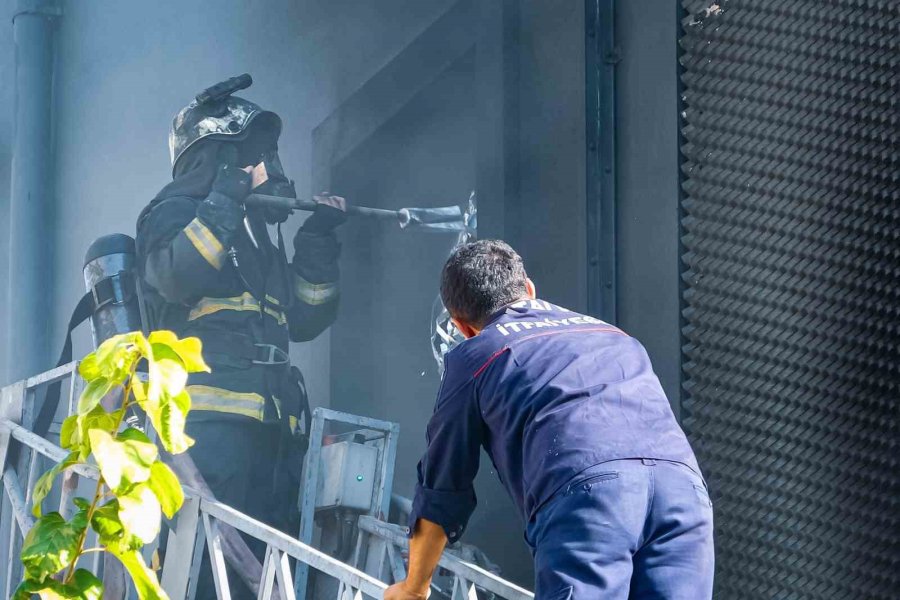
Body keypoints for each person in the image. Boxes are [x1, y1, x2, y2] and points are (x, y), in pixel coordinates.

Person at [385, 240, 714, 600]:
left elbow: (442, 487)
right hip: (683, 493)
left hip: (591, 496)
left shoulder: (476, 355)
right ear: (529, 289)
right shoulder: (613, 334)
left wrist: (413, 588)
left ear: (462, 326)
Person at [135, 78, 345, 598]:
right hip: (207, 439)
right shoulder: (173, 213)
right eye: (255, 157)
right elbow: (177, 277)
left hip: (275, 438)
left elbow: (306, 320)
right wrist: (226, 198)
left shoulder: (254, 235)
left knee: (267, 579)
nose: (270, 168)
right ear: (215, 161)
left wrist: (317, 241)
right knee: (210, 575)